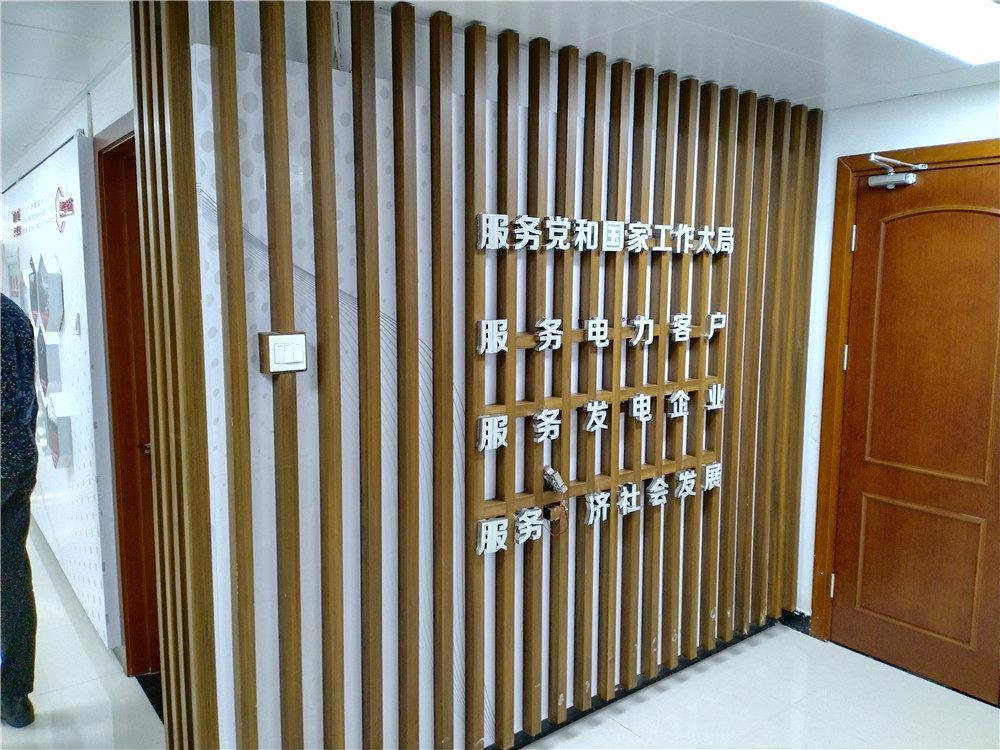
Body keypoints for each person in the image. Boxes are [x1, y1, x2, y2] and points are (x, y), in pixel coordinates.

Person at [1, 291, 39, 728]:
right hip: (16, 463)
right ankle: (14, 698)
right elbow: (28, 393)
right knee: (11, 578)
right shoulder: (12, 314)